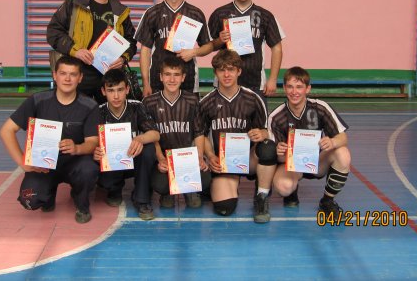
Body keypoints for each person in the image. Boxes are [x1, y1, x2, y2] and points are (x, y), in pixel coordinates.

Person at [0, 55, 99, 224]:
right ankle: (48, 194)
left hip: (75, 163)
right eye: (63, 73)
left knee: (89, 170)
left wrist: (77, 148)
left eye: (73, 74)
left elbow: (92, 142)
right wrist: (23, 163)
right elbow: (6, 130)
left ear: (80, 78)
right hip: (43, 165)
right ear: (54, 75)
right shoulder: (37, 100)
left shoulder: (90, 106)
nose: (67, 79)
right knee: (29, 199)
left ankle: (81, 202)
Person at [196, 49, 277, 223]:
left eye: (231, 69)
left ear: (239, 71)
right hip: (222, 162)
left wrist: (261, 133)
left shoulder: (253, 99)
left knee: (268, 147)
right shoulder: (206, 102)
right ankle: (224, 184)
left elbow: (266, 131)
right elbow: (201, 135)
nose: (226, 75)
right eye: (222, 70)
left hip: (248, 159)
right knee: (224, 208)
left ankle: (261, 196)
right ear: (215, 73)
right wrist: (210, 156)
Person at [47, 0, 137, 104]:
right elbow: (53, 31)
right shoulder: (73, 4)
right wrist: (75, 51)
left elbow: (131, 41)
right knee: (77, 114)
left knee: (108, 116)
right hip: (78, 73)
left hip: (108, 75)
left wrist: (123, 58)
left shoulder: (120, 11)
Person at [270, 66, 351, 216]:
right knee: (283, 187)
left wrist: (332, 142)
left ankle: (327, 201)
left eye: (299, 87)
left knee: (343, 154)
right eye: (290, 87)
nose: (294, 92)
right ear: (284, 88)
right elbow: (276, 157)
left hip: (317, 161)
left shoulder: (320, 107)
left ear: (308, 89)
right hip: (291, 164)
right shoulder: (276, 116)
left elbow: (343, 138)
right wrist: (279, 151)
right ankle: (291, 192)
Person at [142, 55, 210, 209]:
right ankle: (167, 192)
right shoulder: (149, 102)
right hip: (164, 159)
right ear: (160, 77)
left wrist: (199, 157)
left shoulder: (192, 100)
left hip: (186, 159)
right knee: (160, 185)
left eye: (176, 75)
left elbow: (199, 133)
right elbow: (150, 136)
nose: (172, 79)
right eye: (167, 74)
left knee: (205, 179)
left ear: (183, 77)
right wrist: (160, 159)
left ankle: (189, 190)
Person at [135, 0, 213, 97]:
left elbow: (208, 46)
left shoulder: (195, 13)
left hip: (188, 80)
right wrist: (146, 82)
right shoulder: (152, 13)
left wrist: (194, 52)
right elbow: (145, 50)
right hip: (158, 81)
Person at [93, 68, 160, 220]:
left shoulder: (136, 106)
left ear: (127, 89)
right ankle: (114, 188)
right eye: (111, 91)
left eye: (120, 90)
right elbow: (91, 141)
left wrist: (139, 139)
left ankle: (142, 199)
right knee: (99, 168)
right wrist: (94, 152)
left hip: (133, 159)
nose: (116, 96)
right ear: (103, 91)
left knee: (148, 149)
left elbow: (155, 134)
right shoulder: (98, 112)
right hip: (111, 163)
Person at [208, 0, 284, 102]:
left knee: (257, 117)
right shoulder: (219, 13)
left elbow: (277, 48)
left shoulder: (265, 15)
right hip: (224, 82)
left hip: (255, 83)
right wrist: (220, 40)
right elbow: (208, 46)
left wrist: (272, 79)